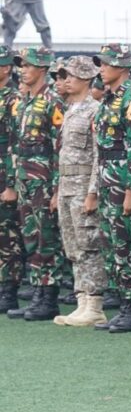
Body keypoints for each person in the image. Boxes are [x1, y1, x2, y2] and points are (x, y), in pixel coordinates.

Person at [90, 43, 131, 333]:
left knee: (127, 243)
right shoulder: (109, 99)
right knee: (112, 242)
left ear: (122, 67)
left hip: (123, 179)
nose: (100, 67)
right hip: (107, 176)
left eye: (105, 63)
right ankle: (123, 301)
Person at [6, 47, 65, 321]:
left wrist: (56, 189)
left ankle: (48, 295)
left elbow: (59, 147)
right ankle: (38, 291)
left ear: (42, 68)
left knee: (47, 238)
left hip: (44, 181)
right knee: (31, 238)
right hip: (25, 181)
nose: (23, 70)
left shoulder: (53, 100)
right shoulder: (25, 101)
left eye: (28, 65)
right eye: (20, 65)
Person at [52, 56, 107, 327]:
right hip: (67, 188)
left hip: (83, 187)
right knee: (73, 246)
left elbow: (98, 156)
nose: (66, 80)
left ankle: (94, 304)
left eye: (71, 75)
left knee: (89, 245)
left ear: (86, 78)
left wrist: (92, 193)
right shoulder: (72, 109)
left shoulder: (94, 110)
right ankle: (82, 300)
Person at [0, 45, 24, 313]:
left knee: (7, 235)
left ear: (6, 68)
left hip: (4, 171)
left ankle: (8, 291)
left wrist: (10, 184)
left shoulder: (13, 99)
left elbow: (15, 144)